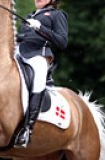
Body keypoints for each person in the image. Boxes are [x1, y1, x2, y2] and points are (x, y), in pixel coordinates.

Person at [14, 0, 68, 148]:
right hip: (19, 53)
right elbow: (22, 38)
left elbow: (62, 42)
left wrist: (40, 28)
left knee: (38, 81)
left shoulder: (57, 15)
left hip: (38, 56)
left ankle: (27, 129)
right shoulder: (30, 15)